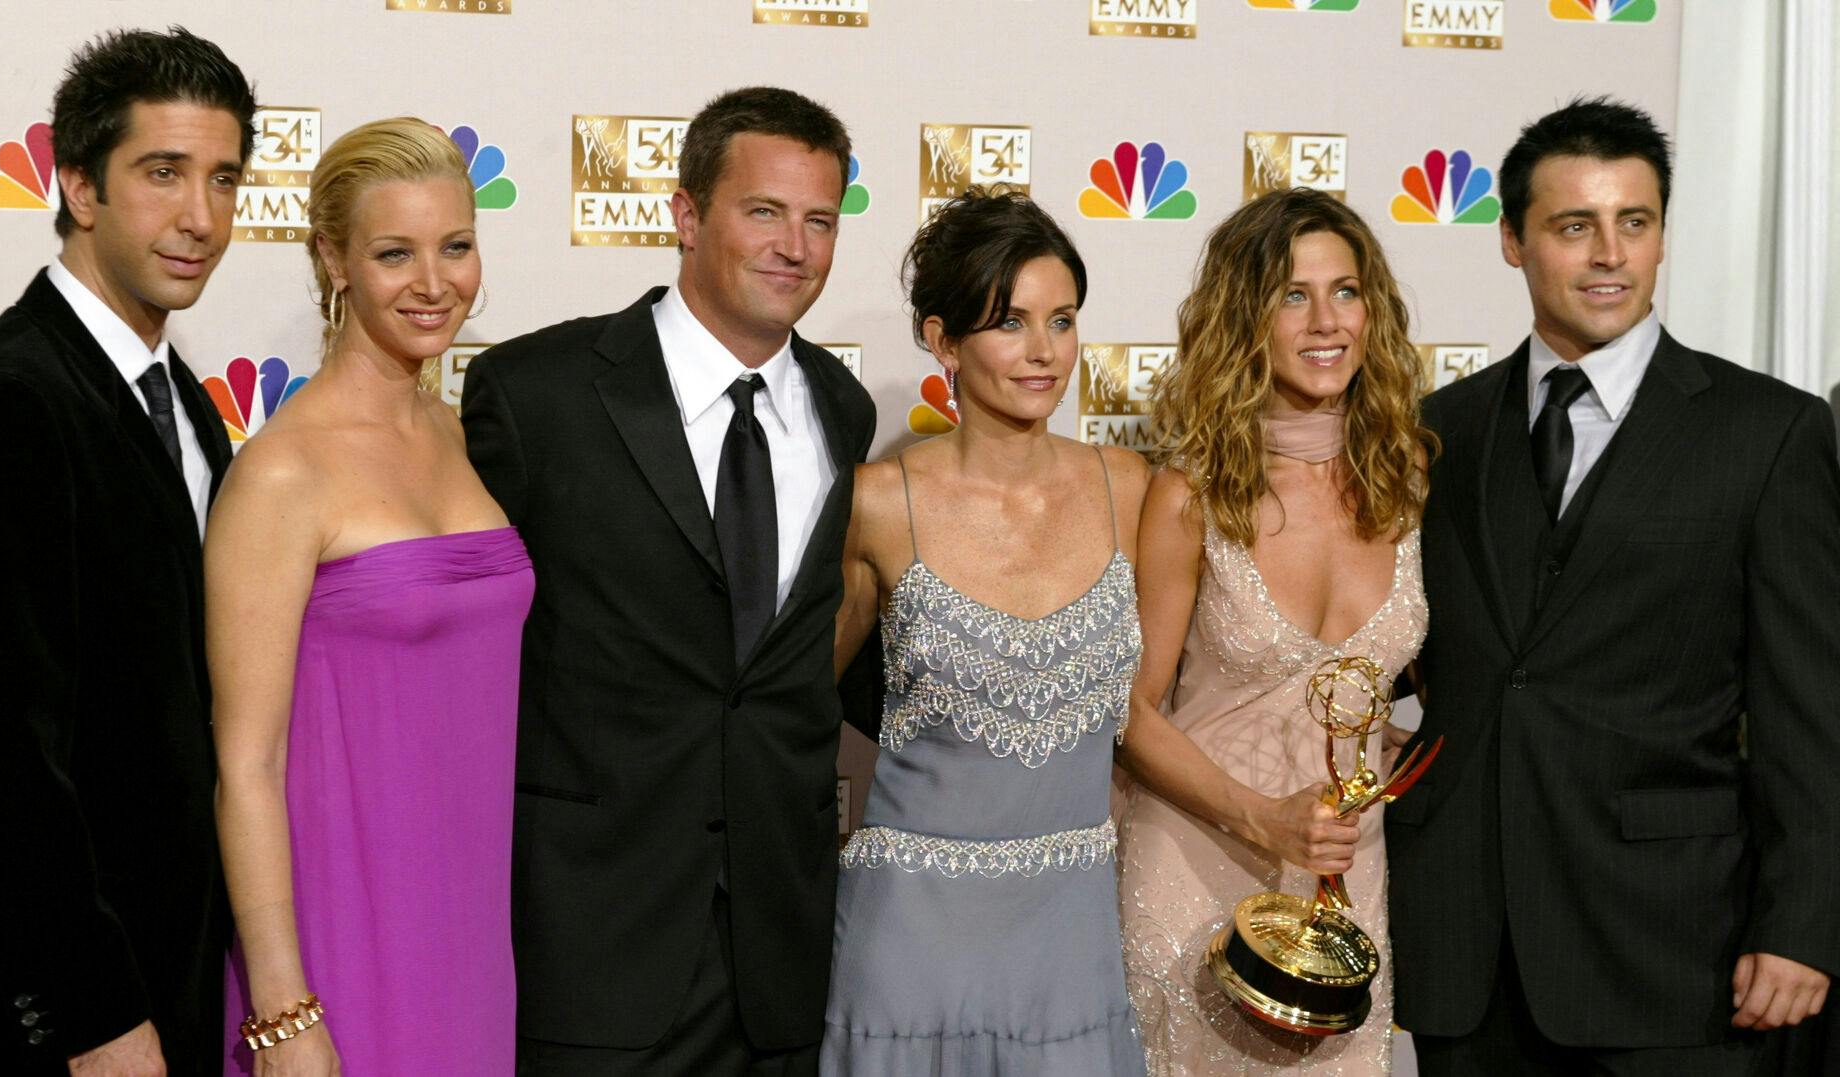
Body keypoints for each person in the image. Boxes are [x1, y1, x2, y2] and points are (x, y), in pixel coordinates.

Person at [1386, 97, 1840, 1074]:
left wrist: (1805, 920)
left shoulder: (1769, 435)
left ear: (1663, 237)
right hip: (1471, 949)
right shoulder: (1439, 431)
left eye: (1634, 223)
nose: (1608, 254)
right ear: (1511, 240)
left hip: (1676, 946)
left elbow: (1813, 711)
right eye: (1574, 225)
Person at [462, 86, 875, 1075]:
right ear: (687, 215)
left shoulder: (842, 408)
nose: (795, 246)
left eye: (819, 221)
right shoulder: (537, 395)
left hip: (779, 952)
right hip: (593, 940)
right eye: (763, 212)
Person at [0, 27, 252, 1077]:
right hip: (74, 1024)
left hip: (179, 980)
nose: (201, 218)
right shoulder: (1, 402)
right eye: (163, 174)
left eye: (225, 179)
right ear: (78, 184)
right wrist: (91, 1017)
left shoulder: (183, 407)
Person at [209, 117, 530, 1075]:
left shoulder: (455, 433)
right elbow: (247, 766)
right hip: (338, 944)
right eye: (396, 253)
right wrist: (283, 1010)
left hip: (469, 935)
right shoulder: (282, 471)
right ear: (333, 260)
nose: (435, 284)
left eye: (457, 246)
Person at [822, 186, 1149, 1075]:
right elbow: (796, 705)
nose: (1044, 352)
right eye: (1009, 322)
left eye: (1063, 319)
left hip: (1069, 940)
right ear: (943, 340)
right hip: (910, 941)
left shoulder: (1137, 490)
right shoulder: (879, 503)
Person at [1115, 187, 1436, 1075]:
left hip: (1344, 884)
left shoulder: (1407, 475)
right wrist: (1263, 817)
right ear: (1243, 319)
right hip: (1197, 863)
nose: (1325, 320)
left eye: (1346, 290)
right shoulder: (1192, 493)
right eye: (1292, 295)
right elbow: (1134, 709)